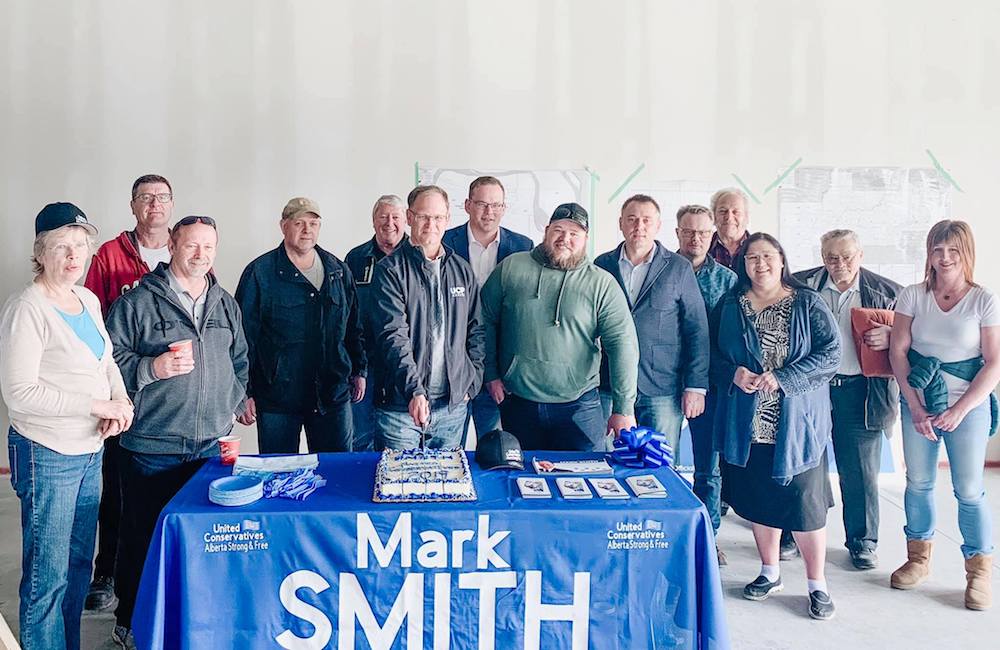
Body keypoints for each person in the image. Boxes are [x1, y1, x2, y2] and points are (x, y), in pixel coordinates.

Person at [105, 216, 249, 647]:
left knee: (203, 543)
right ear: (172, 244)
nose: (200, 254)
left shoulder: (224, 302)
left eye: (208, 247)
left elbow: (240, 359)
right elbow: (108, 364)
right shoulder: (138, 304)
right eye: (191, 245)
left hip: (209, 448)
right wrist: (153, 368)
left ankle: (193, 620)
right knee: (142, 542)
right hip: (153, 447)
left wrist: (229, 401)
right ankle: (131, 622)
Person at [1, 203, 133, 650]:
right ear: (41, 252)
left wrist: (121, 401)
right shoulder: (27, 307)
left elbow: (106, 361)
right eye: (62, 247)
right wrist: (96, 405)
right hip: (46, 453)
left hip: (89, 452)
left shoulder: (88, 299)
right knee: (47, 578)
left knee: (78, 570)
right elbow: (20, 393)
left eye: (80, 246)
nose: (73, 256)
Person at [711, 232, 841, 620]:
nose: (760, 264)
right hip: (748, 426)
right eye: (752, 258)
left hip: (798, 426)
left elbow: (830, 354)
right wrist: (733, 373)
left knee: (805, 506)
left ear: (782, 260)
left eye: (768, 257)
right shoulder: (730, 306)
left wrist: (784, 378)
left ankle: (817, 584)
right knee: (759, 502)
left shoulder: (807, 303)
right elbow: (711, 356)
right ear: (743, 265)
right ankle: (770, 572)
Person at [888, 220, 999, 611]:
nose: (945, 257)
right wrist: (916, 407)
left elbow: (994, 362)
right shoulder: (913, 296)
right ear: (929, 254)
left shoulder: (982, 299)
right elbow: (898, 353)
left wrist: (959, 409)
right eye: (938, 249)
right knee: (918, 482)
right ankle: (918, 559)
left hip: (967, 406)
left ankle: (979, 571)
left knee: (968, 489)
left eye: (953, 250)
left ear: (966, 253)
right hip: (918, 405)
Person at [82, 173, 173, 611]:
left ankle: (157, 568)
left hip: (171, 397)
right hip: (125, 389)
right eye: (146, 198)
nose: (154, 204)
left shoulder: (186, 250)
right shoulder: (109, 256)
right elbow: (92, 326)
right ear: (134, 205)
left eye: (162, 197)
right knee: (116, 486)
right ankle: (107, 572)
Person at [481, 202, 639, 451]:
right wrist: (490, 373)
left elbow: (623, 344)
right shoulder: (512, 268)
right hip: (519, 403)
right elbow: (484, 320)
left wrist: (624, 408)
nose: (565, 238)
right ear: (546, 231)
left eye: (574, 233)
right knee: (521, 484)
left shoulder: (601, 284)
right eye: (559, 230)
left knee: (583, 485)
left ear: (585, 238)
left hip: (579, 407)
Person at [794, 229, 901, 570]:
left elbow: (914, 338)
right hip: (811, 391)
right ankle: (796, 533)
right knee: (803, 467)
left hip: (861, 392)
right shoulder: (800, 286)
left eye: (847, 257)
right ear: (822, 256)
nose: (839, 264)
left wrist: (893, 335)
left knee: (859, 472)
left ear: (861, 255)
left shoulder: (887, 292)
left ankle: (863, 541)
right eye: (831, 257)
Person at [236, 197, 366, 453]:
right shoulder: (260, 273)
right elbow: (242, 339)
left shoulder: (337, 271)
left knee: (335, 473)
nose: (307, 230)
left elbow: (353, 326)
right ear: (283, 226)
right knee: (278, 474)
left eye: (313, 223)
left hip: (332, 392)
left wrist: (359, 369)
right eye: (299, 223)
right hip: (278, 397)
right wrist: (244, 391)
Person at [371, 185, 484, 449]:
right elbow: (392, 336)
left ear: (447, 220)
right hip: (400, 408)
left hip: (451, 408)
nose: (431, 224)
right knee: (401, 487)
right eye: (423, 216)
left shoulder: (461, 270)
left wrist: (472, 382)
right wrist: (415, 390)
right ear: (410, 218)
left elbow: (477, 330)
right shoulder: (390, 270)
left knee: (447, 485)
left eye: (438, 218)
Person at [594, 195, 708, 456]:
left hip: (662, 389)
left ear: (658, 226)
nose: (639, 226)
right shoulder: (602, 265)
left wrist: (695, 386)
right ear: (621, 223)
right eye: (632, 219)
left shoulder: (678, 268)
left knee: (661, 468)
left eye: (646, 220)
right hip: (608, 386)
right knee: (607, 465)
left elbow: (696, 330)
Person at [442, 176, 533, 445]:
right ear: (468, 205)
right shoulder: (445, 242)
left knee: (493, 445)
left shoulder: (523, 247)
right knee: (449, 447)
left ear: (504, 208)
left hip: (500, 362)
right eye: (482, 204)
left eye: (496, 205)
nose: (489, 212)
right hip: (453, 358)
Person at [675, 204, 738, 564]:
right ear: (677, 233)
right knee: (658, 461)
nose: (695, 238)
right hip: (664, 379)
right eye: (688, 231)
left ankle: (708, 536)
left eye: (701, 232)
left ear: (712, 235)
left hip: (710, 386)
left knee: (707, 467)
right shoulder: (664, 270)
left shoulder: (727, 281)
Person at [345, 195, 408, 450]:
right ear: (373, 221)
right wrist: (354, 367)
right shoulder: (355, 259)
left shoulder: (417, 256)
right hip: (364, 366)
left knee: (401, 446)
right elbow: (346, 316)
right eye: (383, 216)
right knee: (360, 439)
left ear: (407, 221)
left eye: (396, 217)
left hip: (403, 366)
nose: (389, 223)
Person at [707, 187, 750, 269]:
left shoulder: (758, 249)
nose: (729, 217)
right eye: (723, 211)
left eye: (736, 212)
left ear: (746, 217)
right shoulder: (702, 248)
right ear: (713, 216)